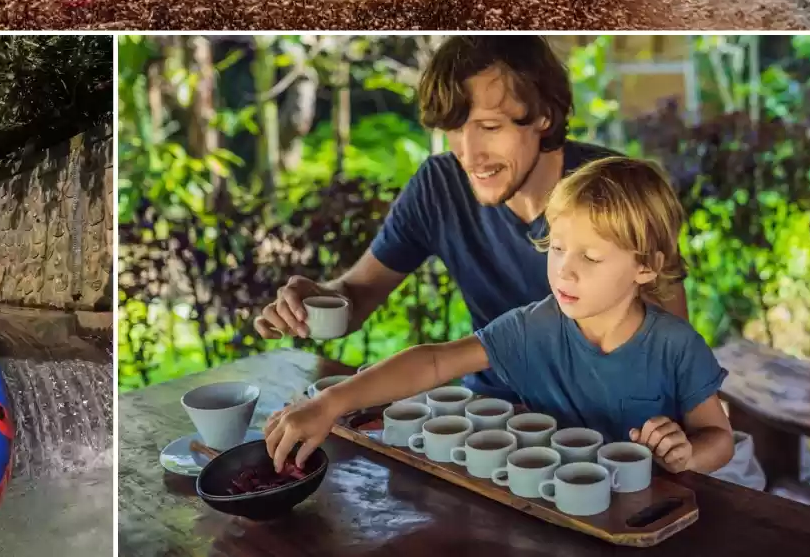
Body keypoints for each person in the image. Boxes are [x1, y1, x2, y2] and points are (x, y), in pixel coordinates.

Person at [253, 35, 690, 403]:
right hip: (489, 419)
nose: (469, 152)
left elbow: (671, 349)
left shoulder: (613, 192)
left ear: (544, 116)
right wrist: (317, 302)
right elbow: (358, 296)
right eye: (455, 128)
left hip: (603, 427)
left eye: (489, 127)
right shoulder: (439, 186)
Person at [264, 157, 737, 478]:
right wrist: (330, 403)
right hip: (555, 505)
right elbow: (433, 362)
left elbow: (719, 437)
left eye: (591, 257)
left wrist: (688, 453)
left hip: (653, 510)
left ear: (645, 267)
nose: (564, 269)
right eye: (556, 248)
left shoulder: (677, 345)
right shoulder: (533, 327)